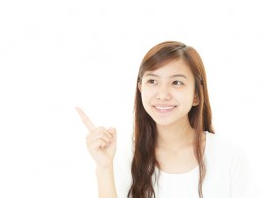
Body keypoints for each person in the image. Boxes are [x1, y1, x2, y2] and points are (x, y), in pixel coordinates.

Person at [76, 41, 256, 198]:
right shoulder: (126, 157)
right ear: (140, 88)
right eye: (152, 81)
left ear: (196, 95)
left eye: (177, 82)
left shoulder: (228, 156)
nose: (162, 94)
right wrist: (105, 168)